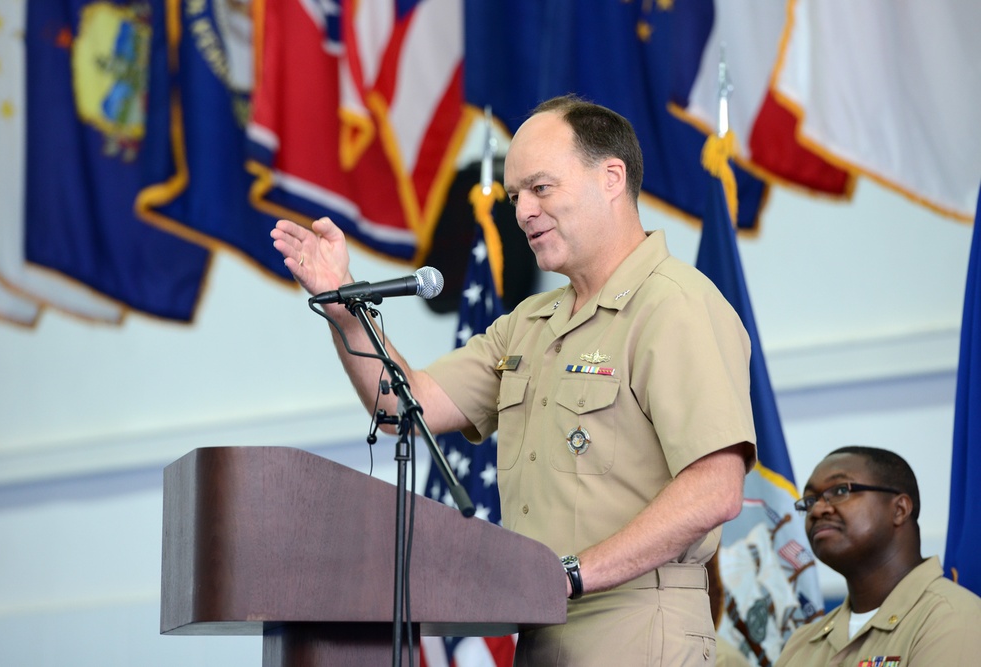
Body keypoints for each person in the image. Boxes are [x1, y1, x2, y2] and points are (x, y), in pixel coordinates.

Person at [271, 94, 756, 666]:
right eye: (515, 195)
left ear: (611, 177)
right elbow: (406, 405)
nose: (523, 211)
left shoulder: (676, 306)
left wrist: (571, 576)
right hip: (542, 629)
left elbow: (715, 489)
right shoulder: (528, 324)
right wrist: (345, 307)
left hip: (638, 628)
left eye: (541, 188)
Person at [776, 446, 981, 666]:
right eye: (809, 501)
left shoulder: (952, 618)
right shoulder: (802, 643)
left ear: (899, 509)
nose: (816, 510)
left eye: (839, 491)